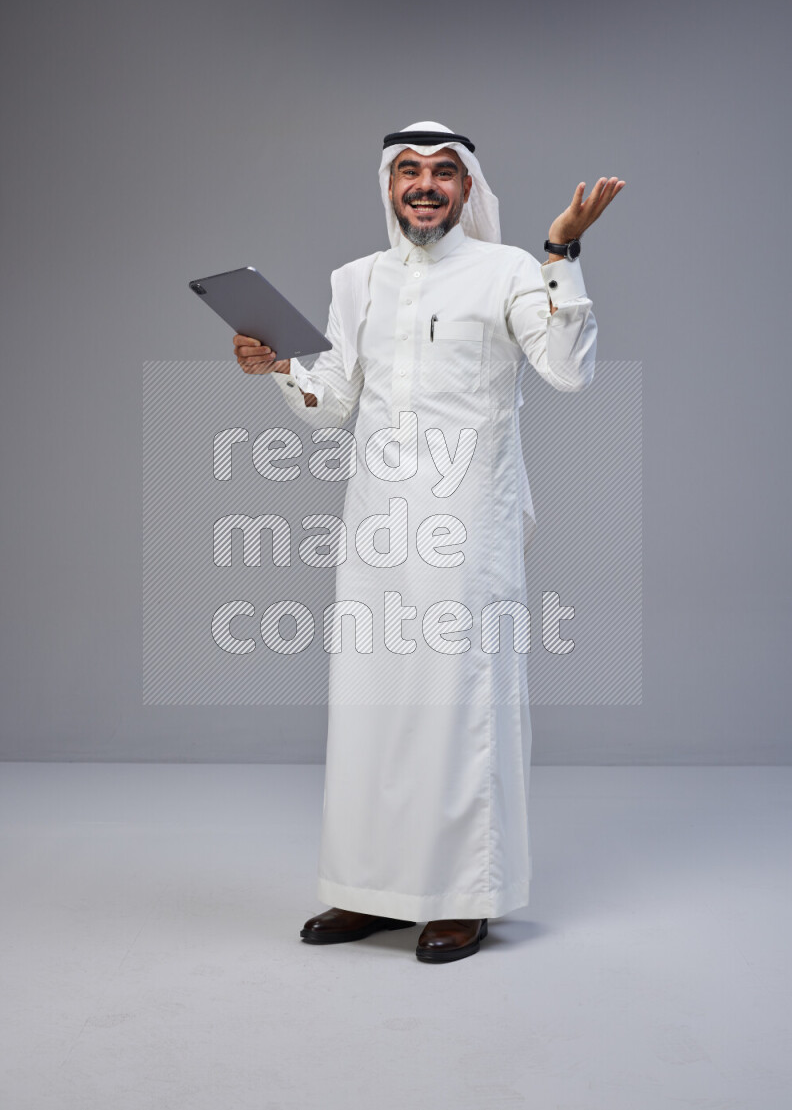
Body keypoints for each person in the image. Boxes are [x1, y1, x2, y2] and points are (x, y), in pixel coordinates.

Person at [234, 121, 625, 963]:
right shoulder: (355, 280)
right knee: (373, 709)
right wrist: (278, 369)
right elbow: (335, 401)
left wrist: (561, 250)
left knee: (459, 708)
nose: (423, 185)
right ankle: (368, 890)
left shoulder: (509, 269)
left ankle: (462, 894)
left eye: (443, 172)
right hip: (376, 523)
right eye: (407, 170)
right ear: (387, 184)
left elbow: (568, 368)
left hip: (469, 527)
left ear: (467, 188)